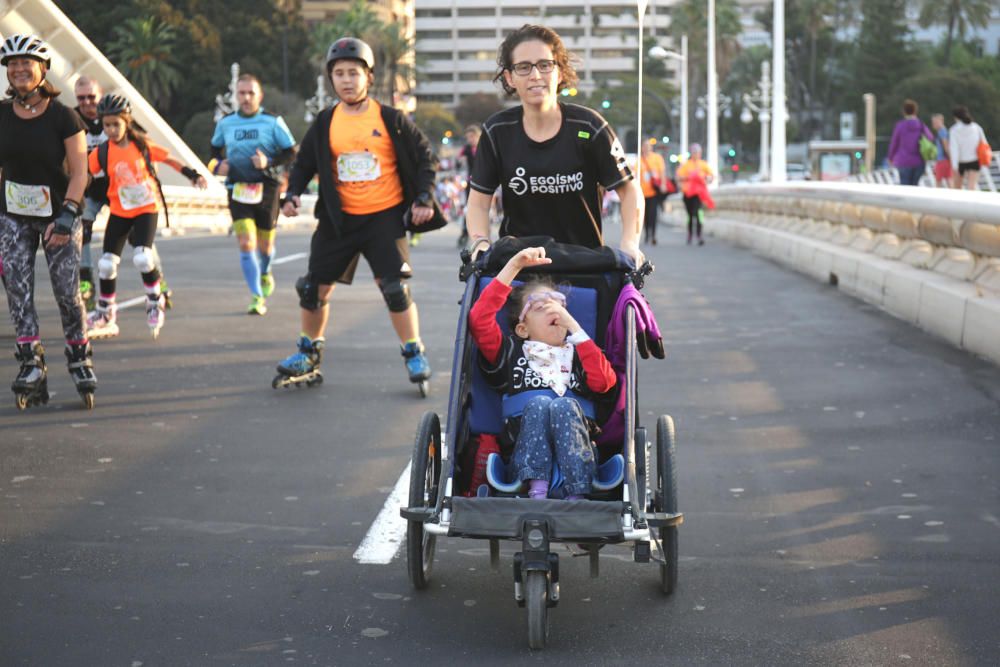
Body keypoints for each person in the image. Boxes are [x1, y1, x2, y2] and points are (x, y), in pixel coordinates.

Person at [276, 37, 445, 389]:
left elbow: (425, 157)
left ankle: (413, 351)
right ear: (331, 79)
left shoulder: (390, 119)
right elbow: (304, 163)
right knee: (312, 288)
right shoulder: (325, 122)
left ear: (369, 76)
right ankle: (308, 351)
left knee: (394, 289)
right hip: (339, 220)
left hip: (383, 218)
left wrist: (424, 199)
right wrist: (291, 194)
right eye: (339, 74)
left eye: (354, 72)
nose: (347, 80)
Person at [465, 24, 643, 266]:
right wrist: (480, 242)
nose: (535, 75)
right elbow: (478, 201)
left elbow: (629, 191)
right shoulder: (497, 131)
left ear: (559, 72)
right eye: (524, 67)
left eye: (545, 65)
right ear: (509, 77)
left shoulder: (590, 126)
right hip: (518, 268)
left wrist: (629, 243)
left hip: (585, 268)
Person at [468, 246, 616, 499]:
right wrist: (513, 266)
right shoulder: (511, 350)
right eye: (539, 307)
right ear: (523, 328)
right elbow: (480, 319)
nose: (553, 310)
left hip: (581, 459)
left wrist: (576, 329)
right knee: (538, 404)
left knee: (564, 407)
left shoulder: (581, 351)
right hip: (523, 464)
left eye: (559, 305)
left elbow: (605, 383)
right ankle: (537, 489)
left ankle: (577, 492)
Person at [0, 34, 97, 408]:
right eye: (12, 64)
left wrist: (68, 213)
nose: (19, 69)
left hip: (58, 215)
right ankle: (30, 362)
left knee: (67, 293)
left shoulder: (64, 116)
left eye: (26, 63)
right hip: (12, 216)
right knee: (18, 293)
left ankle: (79, 356)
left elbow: (79, 173)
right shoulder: (3, 114)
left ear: (42, 70)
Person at [86, 94, 206, 339]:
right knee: (106, 264)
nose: (110, 130)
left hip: (146, 210)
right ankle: (105, 311)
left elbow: (169, 159)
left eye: (115, 124)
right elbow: (83, 172)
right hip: (120, 211)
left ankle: (154, 300)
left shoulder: (141, 145)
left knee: (143, 256)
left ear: (126, 122)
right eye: (106, 125)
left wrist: (193, 174)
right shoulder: (102, 152)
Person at [210, 74, 297, 315]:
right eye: (241, 93)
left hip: (267, 189)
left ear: (260, 96)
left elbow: (291, 152)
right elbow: (214, 151)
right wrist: (217, 166)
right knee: (246, 243)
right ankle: (257, 296)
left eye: (251, 93)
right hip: (237, 189)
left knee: (265, 247)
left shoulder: (272, 122)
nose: (246, 98)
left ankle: (266, 271)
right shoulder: (226, 123)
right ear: (236, 96)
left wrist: (267, 161)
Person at [886, 99, 933, 187]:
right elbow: (930, 137)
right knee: (914, 187)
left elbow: (894, 143)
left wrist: (890, 157)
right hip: (919, 162)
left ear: (904, 111)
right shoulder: (921, 125)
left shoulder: (900, 125)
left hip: (904, 161)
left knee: (905, 187)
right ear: (916, 111)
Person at [676, 143, 713, 245]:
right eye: (694, 152)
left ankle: (699, 235)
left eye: (698, 152)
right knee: (690, 215)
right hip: (688, 194)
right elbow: (679, 177)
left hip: (699, 193)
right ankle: (690, 234)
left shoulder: (703, 164)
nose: (696, 154)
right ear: (691, 153)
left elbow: (711, 176)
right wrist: (689, 177)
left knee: (698, 213)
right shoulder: (686, 165)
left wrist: (706, 178)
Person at [949, 106, 989, 191]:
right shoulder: (976, 127)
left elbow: (954, 149)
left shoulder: (954, 130)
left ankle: (959, 204)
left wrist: (954, 166)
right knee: (972, 187)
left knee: (957, 188)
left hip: (960, 162)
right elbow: (984, 143)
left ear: (956, 117)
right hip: (975, 160)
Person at [456, 124, 481, 248]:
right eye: (468, 137)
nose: (470, 140)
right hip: (471, 183)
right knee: (469, 209)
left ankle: (482, 235)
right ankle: (465, 232)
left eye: (472, 137)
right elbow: (458, 160)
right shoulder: (466, 148)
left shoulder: (484, 147)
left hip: (483, 183)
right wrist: (460, 161)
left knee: (482, 209)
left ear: (478, 136)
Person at [639, 140, 668, 245]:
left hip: (654, 191)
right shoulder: (639, 160)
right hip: (642, 192)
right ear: (642, 148)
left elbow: (662, 173)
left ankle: (653, 235)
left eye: (648, 146)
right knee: (645, 215)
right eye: (644, 146)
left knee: (653, 213)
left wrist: (663, 184)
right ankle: (647, 234)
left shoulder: (657, 158)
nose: (646, 148)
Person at [931, 113, 952, 188]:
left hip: (943, 161)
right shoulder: (943, 131)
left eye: (935, 122)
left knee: (938, 181)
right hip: (945, 160)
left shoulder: (942, 132)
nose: (933, 125)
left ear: (941, 121)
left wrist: (951, 159)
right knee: (948, 180)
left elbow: (946, 147)